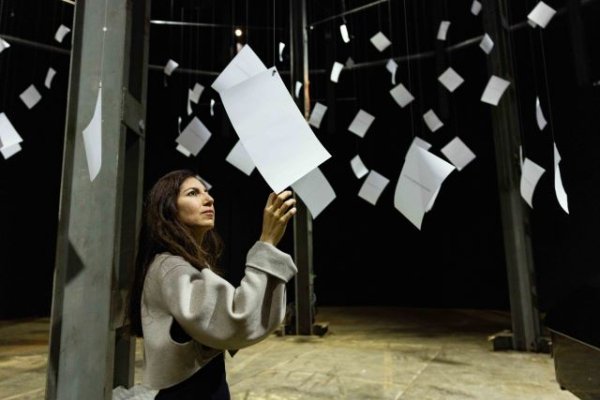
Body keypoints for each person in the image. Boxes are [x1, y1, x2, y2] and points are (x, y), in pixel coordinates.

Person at [127, 169, 298, 399]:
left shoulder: (184, 264)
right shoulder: (172, 269)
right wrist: (266, 242)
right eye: (193, 193)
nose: (209, 199)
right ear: (168, 209)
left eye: (206, 192)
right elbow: (237, 318)